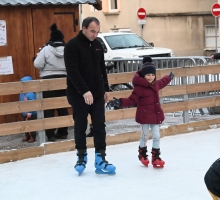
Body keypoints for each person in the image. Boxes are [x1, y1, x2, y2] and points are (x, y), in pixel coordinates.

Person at [64, 16, 116, 175]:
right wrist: (84, 91)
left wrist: (105, 88)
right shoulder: (72, 46)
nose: (95, 34)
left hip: (98, 93)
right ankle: (81, 156)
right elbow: (73, 72)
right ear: (84, 28)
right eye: (92, 31)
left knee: (99, 126)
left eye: (97, 32)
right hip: (79, 94)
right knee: (80, 126)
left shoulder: (98, 45)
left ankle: (100, 158)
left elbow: (102, 69)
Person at [107, 60, 173, 168]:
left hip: (155, 115)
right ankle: (142, 154)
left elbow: (162, 82)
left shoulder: (155, 84)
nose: (150, 77)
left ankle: (156, 158)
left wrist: (169, 77)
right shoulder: (139, 88)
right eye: (148, 75)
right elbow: (131, 100)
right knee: (145, 136)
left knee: (156, 136)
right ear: (143, 75)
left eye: (152, 74)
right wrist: (120, 102)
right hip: (144, 116)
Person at [34, 23, 69, 142]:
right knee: (62, 107)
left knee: (48, 108)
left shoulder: (46, 49)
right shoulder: (68, 49)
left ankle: (50, 134)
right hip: (64, 81)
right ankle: (63, 132)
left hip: (48, 81)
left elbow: (37, 64)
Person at [20, 76, 37, 143]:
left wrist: (30, 112)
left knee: (31, 125)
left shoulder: (31, 94)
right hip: (24, 112)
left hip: (31, 113)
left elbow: (32, 104)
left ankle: (32, 137)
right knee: (25, 125)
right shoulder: (22, 94)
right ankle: (27, 137)